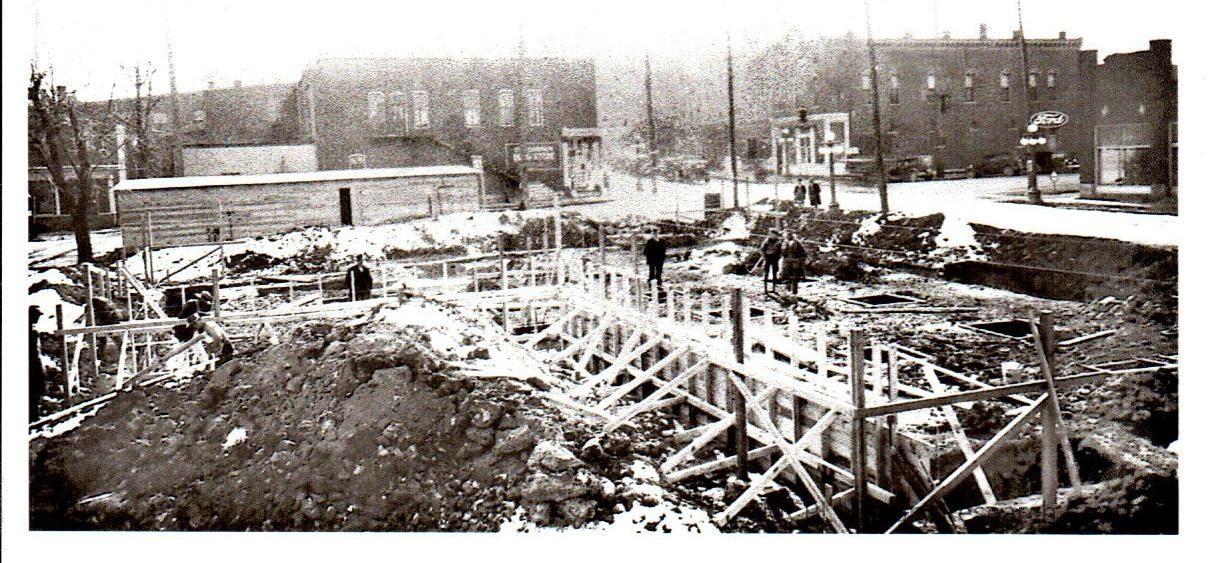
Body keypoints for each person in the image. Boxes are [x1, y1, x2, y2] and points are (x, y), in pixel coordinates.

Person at [29, 307, 45, 422]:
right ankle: (33, 416)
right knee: (33, 390)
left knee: (35, 390)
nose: (37, 319)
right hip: (32, 363)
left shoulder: (33, 330)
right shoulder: (31, 332)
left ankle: (35, 415)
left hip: (34, 362)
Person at [759, 230, 783, 294]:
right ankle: (765, 289)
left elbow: (780, 251)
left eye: (774, 234)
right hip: (768, 258)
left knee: (774, 273)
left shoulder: (778, 242)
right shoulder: (766, 241)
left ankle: (774, 289)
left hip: (775, 259)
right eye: (771, 234)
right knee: (766, 273)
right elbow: (762, 250)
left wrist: (778, 257)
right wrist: (764, 257)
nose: (772, 236)